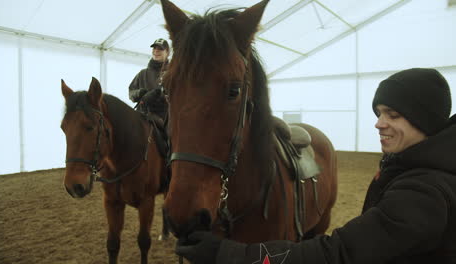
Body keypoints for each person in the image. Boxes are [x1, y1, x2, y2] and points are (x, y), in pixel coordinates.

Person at [175, 68, 456, 264]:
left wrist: (227, 255)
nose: (379, 123)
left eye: (392, 115)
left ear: (424, 120)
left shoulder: (423, 193)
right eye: (379, 113)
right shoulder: (410, 168)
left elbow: (337, 254)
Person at [129, 38, 170, 119]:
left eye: (160, 49)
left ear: (167, 52)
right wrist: (139, 93)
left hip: (164, 119)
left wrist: (159, 96)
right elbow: (131, 92)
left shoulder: (172, 73)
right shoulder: (142, 73)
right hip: (142, 117)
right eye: (154, 48)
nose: (156, 51)